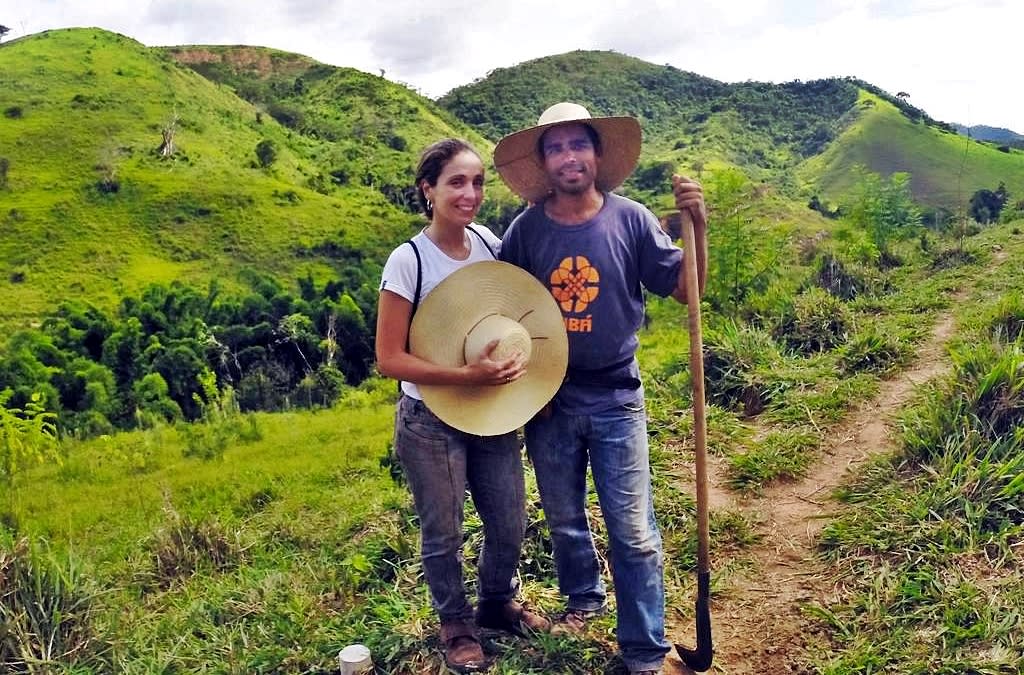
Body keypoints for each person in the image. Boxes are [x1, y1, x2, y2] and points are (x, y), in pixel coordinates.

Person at [493, 103, 709, 675]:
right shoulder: (526, 229)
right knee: (564, 517)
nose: (569, 156)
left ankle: (643, 649)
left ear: (596, 154)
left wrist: (699, 227)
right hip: (548, 399)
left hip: (616, 398)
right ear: (544, 161)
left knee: (633, 530)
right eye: (556, 147)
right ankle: (583, 601)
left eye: (578, 145)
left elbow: (689, 290)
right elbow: (503, 306)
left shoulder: (632, 219)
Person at [375, 138, 551, 673]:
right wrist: (464, 375)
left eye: (477, 182)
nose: (470, 193)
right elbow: (389, 358)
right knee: (444, 529)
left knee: (509, 518)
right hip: (429, 420)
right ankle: (455, 625)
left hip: (490, 413)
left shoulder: (487, 244)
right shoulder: (409, 261)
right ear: (428, 190)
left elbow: (513, 309)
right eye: (456, 182)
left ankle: (498, 603)